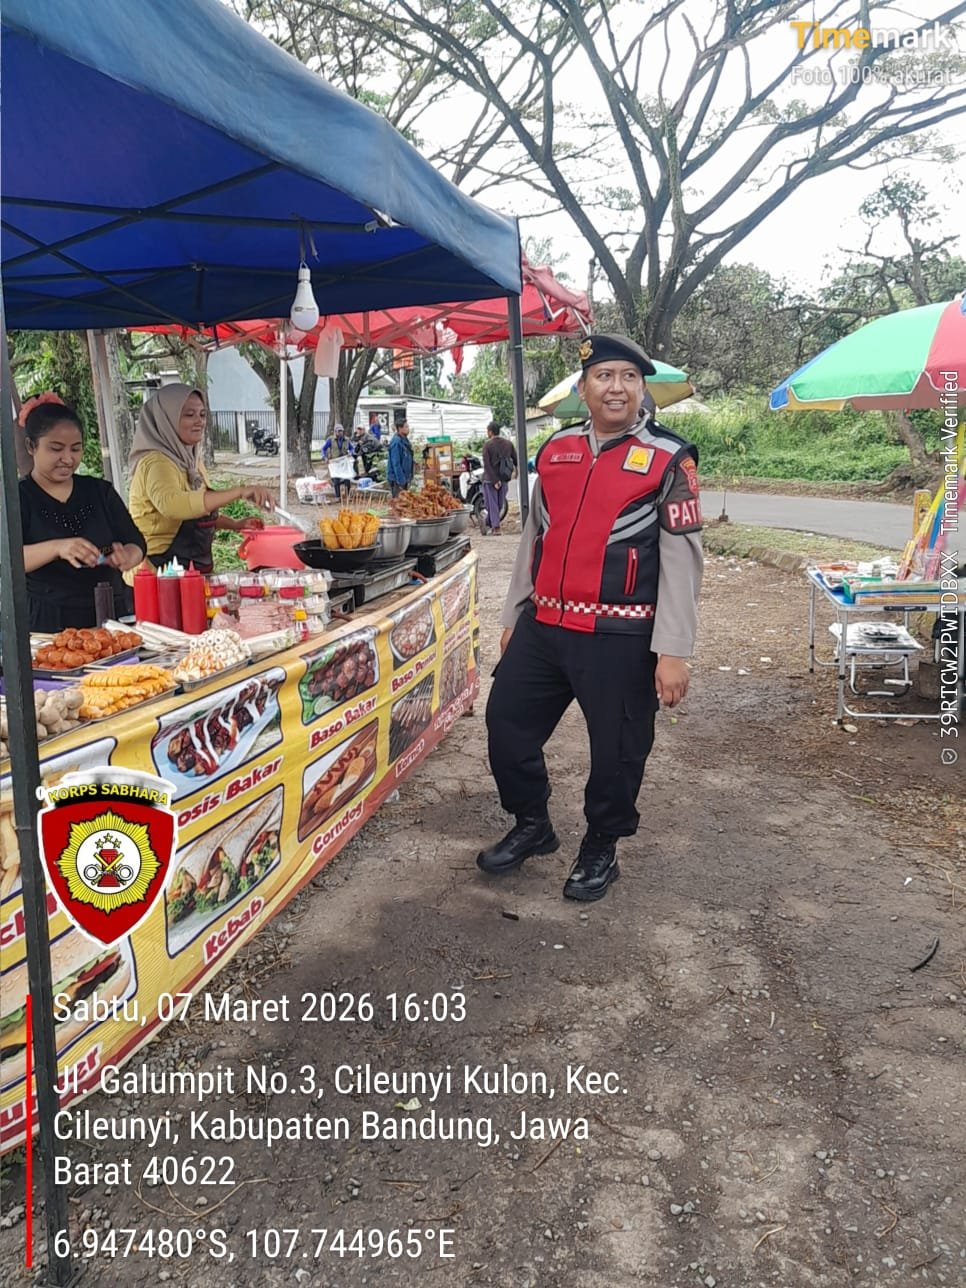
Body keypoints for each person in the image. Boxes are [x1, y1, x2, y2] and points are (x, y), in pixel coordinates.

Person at [478, 334, 703, 903]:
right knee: (506, 724)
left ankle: (602, 845)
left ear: (643, 389)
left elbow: (683, 558)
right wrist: (513, 615)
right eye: (604, 376)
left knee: (618, 751)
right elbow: (534, 537)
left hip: (622, 634)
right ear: (584, 388)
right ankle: (533, 823)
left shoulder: (669, 458)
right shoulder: (555, 451)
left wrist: (673, 649)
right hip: (545, 627)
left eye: (629, 377)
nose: (616, 388)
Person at [19, 393, 146, 630]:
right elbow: (8, 558)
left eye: (76, 449)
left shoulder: (100, 491)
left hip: (111, 612)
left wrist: (128, 555)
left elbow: (136, 541)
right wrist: (58, 548)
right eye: (56, 449)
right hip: (48, 620)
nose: (67, 459)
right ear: (31, 446)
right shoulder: (19, 498)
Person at [127, 385, 275, 575]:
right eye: (189, 415)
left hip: (191, 572)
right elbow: (174, 505)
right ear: (166, 419)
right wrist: (239, 492)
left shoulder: (191, 462)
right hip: (154, 575)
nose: (199, 422)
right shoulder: (156, 463)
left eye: (202, 415)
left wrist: (235, 524)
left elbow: (197, 513)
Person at [481, 421, 517, 535]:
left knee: (493, 504)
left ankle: (488, 522)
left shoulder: (487, 445)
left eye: (487, 431)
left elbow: (487, 464)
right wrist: (516, 472)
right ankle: (495, 527)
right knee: (499, 504)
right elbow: (516, 459)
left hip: (490, 479)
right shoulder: (508, 444)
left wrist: (494, 480)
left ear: (490, 432)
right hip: (504, 477)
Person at [322, 423, 355, 501]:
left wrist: (351, 453)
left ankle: (347, 495)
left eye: (341, 431)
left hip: (344, 462)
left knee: (347, 478)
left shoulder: (347, 440)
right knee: (336, 480)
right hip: (335, 463)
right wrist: (325, 457)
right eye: (339, 431)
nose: (340, 433)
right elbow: (323, 449)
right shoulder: (330, 440)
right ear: (335, 432)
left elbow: (352, 448)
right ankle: (338, 496)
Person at [386, 419, 414, 497]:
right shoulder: (396, 442)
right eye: (406, 427)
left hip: (405, 478)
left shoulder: (405, 440)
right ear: (400, 428)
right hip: (397, 480)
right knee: (399, 502)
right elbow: (396, 463)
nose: (408, 429)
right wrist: (401, 481)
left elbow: (406, 456)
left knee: (404, 501)